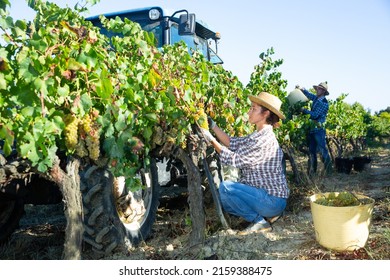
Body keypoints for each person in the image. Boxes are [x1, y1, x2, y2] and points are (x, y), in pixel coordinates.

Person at [200, 92, 289, 234]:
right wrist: (213, 126)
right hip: (266, 197)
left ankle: (259, 222)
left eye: (253, 109)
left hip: (272, 200)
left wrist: (211, 139)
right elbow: (232, 142)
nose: (249, 112)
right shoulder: (258, 135)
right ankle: (266, 216)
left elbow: (236, 160)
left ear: (265, 114)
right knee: (227, 200)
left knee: (226, 188)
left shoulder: (264, 140)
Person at [296, 82, 332, 175]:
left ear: (323, 91)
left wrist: (304, 111)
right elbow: (309, 95)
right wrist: (302, 89)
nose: (317, 90)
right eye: (317, 89)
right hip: (312, 129)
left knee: (323, 150)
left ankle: (329, 171)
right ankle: (314, 171)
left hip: (319, 130)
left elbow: (315, 115)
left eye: (319, 89)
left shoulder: (324, 103)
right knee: (312, 151)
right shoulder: (317, 98)